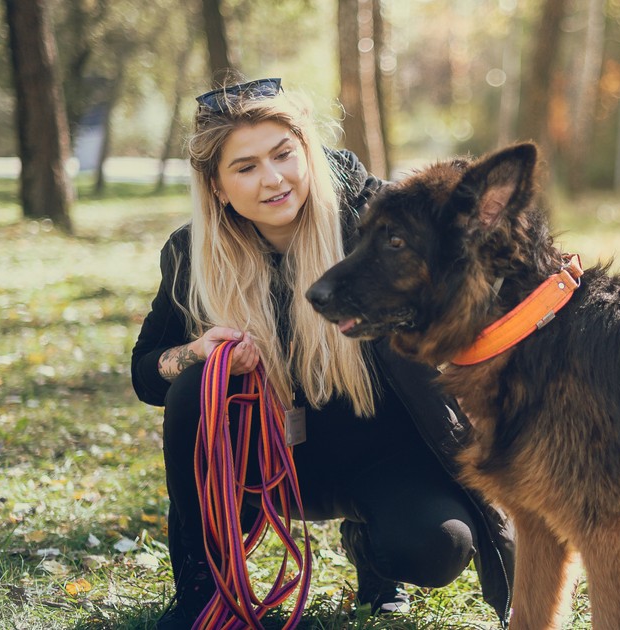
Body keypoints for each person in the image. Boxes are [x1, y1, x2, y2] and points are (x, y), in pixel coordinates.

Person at [130, 78, 514, 629]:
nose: (273, 179)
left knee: (439, 546)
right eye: (245, 167)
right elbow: (146, 373)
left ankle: (374, 555)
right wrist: (194, 352)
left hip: (381, 452)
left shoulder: (377, 220)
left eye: (284, 155)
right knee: (192, 382)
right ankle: (202, 591)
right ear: (216, 186)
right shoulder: (191, 254)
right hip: (263, 464)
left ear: (306, 151)